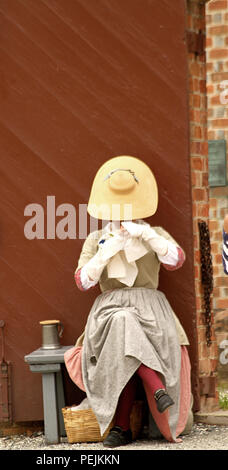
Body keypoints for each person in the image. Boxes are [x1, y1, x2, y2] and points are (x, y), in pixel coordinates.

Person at [65, 155, 192, 447]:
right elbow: (83, 281)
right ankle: (156, 387)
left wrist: (147, 235)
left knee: (127, 337)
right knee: (122, 322)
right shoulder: (96, 239)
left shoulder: (153, 234)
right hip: (110, 310)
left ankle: (121, 428)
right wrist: (105, 253)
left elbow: (176, 260)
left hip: (151, 309)